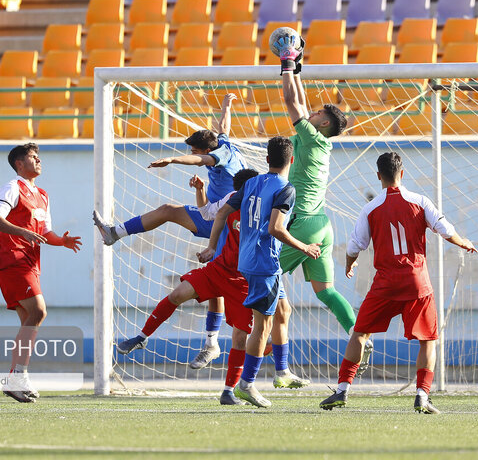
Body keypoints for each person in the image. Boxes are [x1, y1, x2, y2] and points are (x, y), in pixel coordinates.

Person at [116, 168, 301, 405]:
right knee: (178, 294)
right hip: (219, 270)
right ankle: (142, 336)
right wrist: (210, 240)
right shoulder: (230, 206)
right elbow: (208, 213)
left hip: (244, 281)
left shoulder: (265, 211)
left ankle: (228, 391)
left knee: (240, 338)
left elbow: (276, 230)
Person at [93, 93, 246, 370]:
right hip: (212, 216)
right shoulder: (223, 142)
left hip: (225, 223)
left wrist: (172, 160)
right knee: (167, 210)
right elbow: (224, 127)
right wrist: (227, 105)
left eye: (193, 151)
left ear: (202, 152)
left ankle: (213, 344)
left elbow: (200, 161)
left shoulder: (217, 156)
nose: (193, 155)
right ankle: (114, 233)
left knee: (217, 286)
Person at [319, 152, 477, 414]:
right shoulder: (420, 201)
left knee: (360, 333)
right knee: (428, 340)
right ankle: (422, 396)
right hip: (417, 282)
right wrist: (463, 241)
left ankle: (342, 390)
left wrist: (349, 263)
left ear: (379, 176)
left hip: (385, 283)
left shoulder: (370, 208)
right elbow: (444, 229)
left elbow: (354, 245)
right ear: (402, 174)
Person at [274, 32, 374, 370]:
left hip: (301, 222)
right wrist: (298, 69)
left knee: (260, 274)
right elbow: (301, 105)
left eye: (317, 113)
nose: (310, 113)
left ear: (324, 123)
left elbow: (292, 104)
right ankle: (359, 334)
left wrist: (288, 65)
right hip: (321, 225)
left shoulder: (313, 138)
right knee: (326, 292)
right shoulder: (320, 141)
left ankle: (254, 362)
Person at [204, 136, 321, 408]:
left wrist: (212, 247)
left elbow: (220, 215)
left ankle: (282, 372)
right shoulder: (287, 189)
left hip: (250, 260)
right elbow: (275, 229)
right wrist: (305, 248)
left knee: (283, 311)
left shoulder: (250, 183)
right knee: (262, 325)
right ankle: (246, 384)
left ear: (267, 159)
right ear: (291, 161)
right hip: (263, 264)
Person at [0, 143, 82, 403]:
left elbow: (45, 233)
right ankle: (17, 376)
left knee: (29, 322)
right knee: (39, 311)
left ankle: (18, 378)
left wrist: (61, 241)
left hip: (30, 264)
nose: (38, 160)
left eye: (38, 156)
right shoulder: (12, 187)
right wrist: (23, 232)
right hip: (13, 261)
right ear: (19, 164)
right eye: (32, 157)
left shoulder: (42, 194)